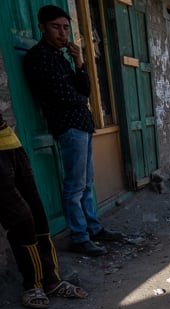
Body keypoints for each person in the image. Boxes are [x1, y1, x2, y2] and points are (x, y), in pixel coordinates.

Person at [23, 5, 124, 257]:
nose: (62, 33)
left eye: (66, 28)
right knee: (75, 186)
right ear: (42, 28)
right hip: (69, 127)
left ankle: (93, 227)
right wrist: (80, 97)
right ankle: (79, 236)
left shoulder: (61, 57)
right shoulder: (39, 58)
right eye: (56, 27)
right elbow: (71, 97)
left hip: (82, 126)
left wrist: (79, 62)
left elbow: (85, 90)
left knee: (87, 183)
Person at [0, 113, 88, 309]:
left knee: (38, 215)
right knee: (21, 220)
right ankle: (32, 284)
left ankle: (51, 280)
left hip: (11, 144)